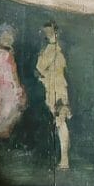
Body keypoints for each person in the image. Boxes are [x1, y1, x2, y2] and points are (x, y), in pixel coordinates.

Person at [35, 20, 71, 170]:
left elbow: (40, 67)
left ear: (55, 32)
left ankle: (64, 161)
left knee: (60, 122)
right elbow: (40, 70)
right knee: (59, 122)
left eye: (50, 31)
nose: (48, 34)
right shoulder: (52, 49)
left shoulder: (54, 49)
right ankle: (63, 160)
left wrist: (43, 75)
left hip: (58, 90)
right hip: (53, 89)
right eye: (46, 32)